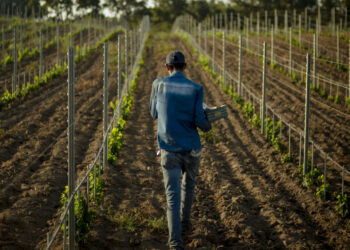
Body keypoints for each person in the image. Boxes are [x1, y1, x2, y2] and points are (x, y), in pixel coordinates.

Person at [150, 50, 212, 249]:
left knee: (172, 195)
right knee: (189, 185)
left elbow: (153, 113)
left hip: (169, 150)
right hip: (192, 148)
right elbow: (200, 122)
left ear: (167, 68)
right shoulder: (196, 88)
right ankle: (185, 223)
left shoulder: (158, 84)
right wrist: (209, 121)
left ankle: (175, 242)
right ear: (185, 67)